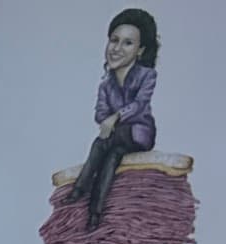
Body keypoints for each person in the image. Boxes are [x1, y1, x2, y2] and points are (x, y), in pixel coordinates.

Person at [68, 9, 160, 232]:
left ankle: (79, 189)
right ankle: (94, 215)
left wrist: (116, 117)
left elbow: (140, 105)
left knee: (101, 144)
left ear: (140, 50)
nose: (117, 48)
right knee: (111, 157)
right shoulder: (106, 84)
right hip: (117, 140)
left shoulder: (147, 75)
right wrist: (107, 119)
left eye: (128, 43)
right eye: (114, 40)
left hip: (139, 133)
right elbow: (99, 114)